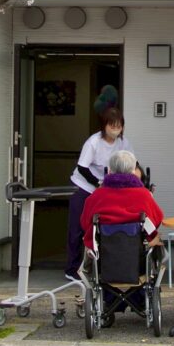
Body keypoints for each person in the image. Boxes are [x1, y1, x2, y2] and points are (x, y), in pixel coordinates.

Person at [65, 107, 133, 280]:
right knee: (77, 228)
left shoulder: (123, 142)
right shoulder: (93, 142)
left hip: (106, 189)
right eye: (112, 126)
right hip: (83, 186)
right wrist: (98, 184)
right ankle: (72, 269)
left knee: (102, 227)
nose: (115, 130)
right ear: (104, 126)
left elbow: (132, 163)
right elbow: (83, 167)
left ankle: (99, 268)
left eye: (119, 126)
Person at [80, 150, 163, 250]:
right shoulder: (144, 195)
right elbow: (157, 220)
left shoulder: (97, 195)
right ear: (133, 171)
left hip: (103, 249)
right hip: (138, 248)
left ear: (110, 171)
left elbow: (85, 223)